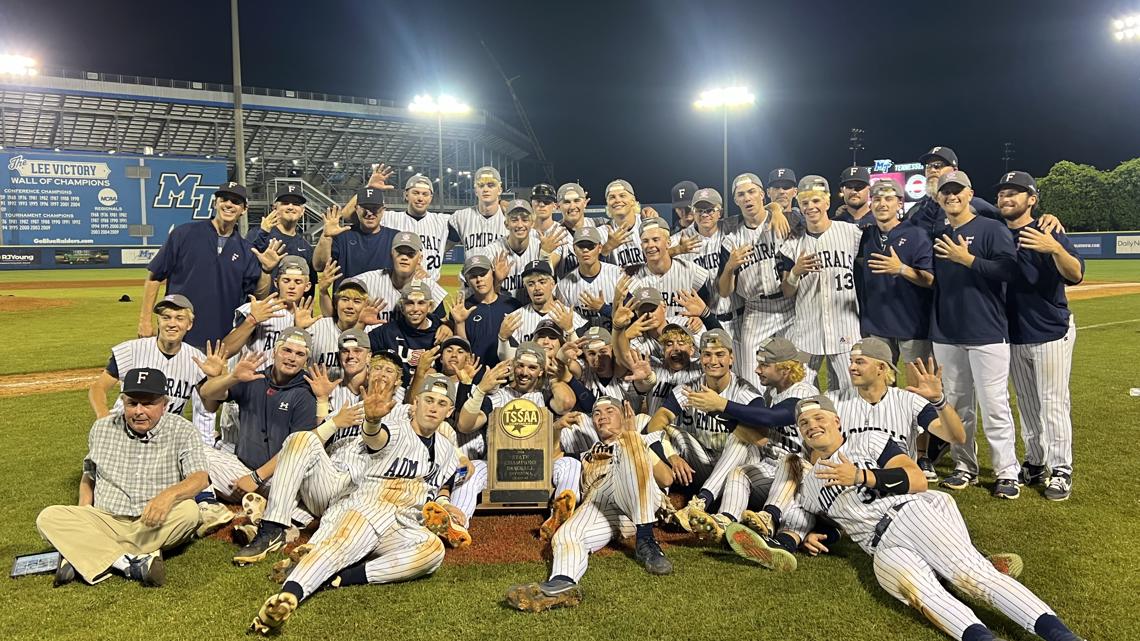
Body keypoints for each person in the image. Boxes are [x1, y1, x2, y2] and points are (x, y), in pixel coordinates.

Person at [730, 395, 1088, 641]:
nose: (811, 425)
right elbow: (823, 521)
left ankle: (1061, 635)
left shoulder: (868, 441)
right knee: (924, 596)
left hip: (910, 514)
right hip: (880, 550)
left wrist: (863, 476)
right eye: (804, 422)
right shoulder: (808, 484)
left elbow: (916, 479)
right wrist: (808, 536)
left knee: (971, 577)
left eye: (819, 417)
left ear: (837, 420)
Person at [247, 374, 462, 635]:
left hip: (403, 522)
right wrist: (372, 420)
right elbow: (376, 438)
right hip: (370, 505)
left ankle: (345, 577)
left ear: (449, 411)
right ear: (415, 403)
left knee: (432, 552)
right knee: (338, 547)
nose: (433, 407)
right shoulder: (396, 429)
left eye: (441, 403)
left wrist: (445, 504)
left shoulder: (447, 450)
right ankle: (289, 595)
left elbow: (438, 485)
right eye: (428, 400)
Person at [37, 368, 209, 588]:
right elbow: (89, 475)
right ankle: (130, 562)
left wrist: (168, 496)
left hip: (153, 521)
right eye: (132, 403)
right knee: (48, 517)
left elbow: (200, 478)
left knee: (188, 512)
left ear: (164, 404)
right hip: (106, 520)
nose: (139, 411)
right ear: (123, 402)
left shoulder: (183, 431)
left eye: (147, 404)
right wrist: (83, 511)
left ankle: (84, 552)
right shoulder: (102, 428)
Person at [504, 396, 676, 612]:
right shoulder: (589, 453)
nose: (602, 416)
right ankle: (562, 583)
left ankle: (647, 540)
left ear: (623, 416)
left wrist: (633, 438)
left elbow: (666, 479)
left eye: (609, 411)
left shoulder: (640, 441)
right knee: (567, 535)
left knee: (630, 447)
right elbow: (552, 458)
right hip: (602, 502)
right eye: (596, 413)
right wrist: (557, 430)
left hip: (636, 502)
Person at [927, 171, 1022, 498]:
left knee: (994, 404)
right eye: (945, 192)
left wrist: (968, 260)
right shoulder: (938, 230)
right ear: (938, 198)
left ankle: (1007, 471)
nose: (951, 197)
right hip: (947, 332)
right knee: (957, 406)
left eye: (957, 191)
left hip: (987, 331)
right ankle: (964, 465)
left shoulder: (991, 228)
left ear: (970, 194)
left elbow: (1009, 271)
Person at [996, 171, 1084, 501]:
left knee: (1053, 403)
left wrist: (1053, 249)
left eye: (1015, 193)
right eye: (1003, 193)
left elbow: (1075, 274)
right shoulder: (995, 231)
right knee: (1029, 404)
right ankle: (1035, 461)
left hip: (1049, 330)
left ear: (1031, 200)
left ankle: (1062, 469)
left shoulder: (1048, 229)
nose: (1006, 198)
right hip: (1013, 333)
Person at [677, 337, 818, 540]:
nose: (757, 370)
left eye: (764, 365)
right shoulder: (772, 392)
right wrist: (713, 410)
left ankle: (769, 519)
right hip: (771, 468)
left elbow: (771, 418)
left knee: (790, 461)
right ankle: (724, 520)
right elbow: (751, 429)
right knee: (738, 471)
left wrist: (721, 405)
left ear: (785, 369)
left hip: (798, 477)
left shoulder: (804, 392)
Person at [139, 181, 275, 350]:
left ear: (244, 209)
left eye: (236, 202)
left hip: (220, 341)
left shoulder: (246, 250)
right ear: (215, 203)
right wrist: (145, 320)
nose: (229, 204)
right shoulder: (184, 234)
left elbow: (257, 295)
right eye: (224, 199)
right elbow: (154, 277)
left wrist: (266, 270)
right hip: (177, 333)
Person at [198, 328, 318, 504]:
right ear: (275, 352)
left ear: (306, 360)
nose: (291, 358)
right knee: (196, 451)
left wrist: (255, 478)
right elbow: (207, 393)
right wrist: (231, 378)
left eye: (299, 354)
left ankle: (269, 507)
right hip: (242, 468)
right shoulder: (254, 378)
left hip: (280, 479)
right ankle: (216, 504)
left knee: (292, 504)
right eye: (287, 350)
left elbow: (297, 451)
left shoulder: (306, 393)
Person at [646, 329, 762, 489]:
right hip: (703, 460)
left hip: (738, 474)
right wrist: (670, 454)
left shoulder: (746, 392)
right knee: (649, 425)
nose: (713, 361)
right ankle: (663, 495)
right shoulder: (690, 387)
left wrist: (717, 409)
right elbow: (658, 419)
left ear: (731, 358)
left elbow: (760, 439)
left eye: (720, 354)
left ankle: (703, 499)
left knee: (739, 442)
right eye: (707, 354)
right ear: (700, 358)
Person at [779, 175, 862, 392]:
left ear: (827, 202)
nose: (810, 207)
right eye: (805, 203)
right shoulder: (792, 244)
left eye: (816, 201)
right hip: (807, 331)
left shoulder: (851, 233)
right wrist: (795, 272)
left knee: (851, 392)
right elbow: (787, 291)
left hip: (845, 327)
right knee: (798, 391)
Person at [718, 172, 794, 391]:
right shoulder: (731, 239)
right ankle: (757, 421)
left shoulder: (785, 222)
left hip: (789, 307)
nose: (747, 198)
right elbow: (724, 291)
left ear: (762, 194)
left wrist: (776, 209)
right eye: (741, 194)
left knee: (794, 374)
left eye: (752, 192)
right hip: (756, 309)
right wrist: (730, 266)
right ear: (736, 200)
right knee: (752, 375)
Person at [222, 256, 316, 365]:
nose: (291, 286)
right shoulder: (257, 308)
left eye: (298, 282)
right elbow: (225, 351)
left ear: (307, 286)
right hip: (252, 379)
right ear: (276, 283)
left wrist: (298, 329)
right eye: (286, 280)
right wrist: (251, 321)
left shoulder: (307, 319)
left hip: (285, 381)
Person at [313, 177, 399, 281]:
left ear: (383, 210)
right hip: (347, 296)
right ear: (357, 209)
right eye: (365, 208)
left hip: (382, 296)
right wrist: (326, 237)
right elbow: (319, 266)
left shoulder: (395, 238)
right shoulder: (343, 236)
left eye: (374, 208)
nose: (369, 213)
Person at [498, 260, 587, 359]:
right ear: (526, 287)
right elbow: (508, 360)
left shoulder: (571, 316)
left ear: (552, 284)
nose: (537, 288)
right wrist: (502, 338)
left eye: (542, 282)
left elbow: (581, 356)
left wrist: (570, 329)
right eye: (531, 284)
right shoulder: (515, 319)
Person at [355, 232, 448, 325]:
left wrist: (446, 327)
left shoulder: (430, 287)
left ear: (419, 259)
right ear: (391, 254)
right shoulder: (368, 280)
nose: (404, 258)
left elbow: (443, 322)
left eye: (410, 254)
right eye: (400, 253)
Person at [450, 254, 523, 366]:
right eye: (473, 277)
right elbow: (462, 350)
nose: (479, 280)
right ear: (467, 281)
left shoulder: (512, 305)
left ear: (492, 274)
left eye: (483, 274)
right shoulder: (463, 309)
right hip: (477, 374)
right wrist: (459, 323)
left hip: (510, 373)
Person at [491, 199, 567, 300]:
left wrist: (545, 254)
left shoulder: (541, 247)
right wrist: (497, 281)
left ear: (532, 224)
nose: (520, 225)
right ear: (506, 224)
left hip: (533, 311)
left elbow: (547, 287)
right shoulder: (493, 251)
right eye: (514, 220)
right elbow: (486, 297)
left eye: (525, 220)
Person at [383, 174, 451, 281]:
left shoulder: (443, 221)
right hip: (396, 287)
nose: (420, 198)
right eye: (415, 193)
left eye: (425, 194)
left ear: (430, 198)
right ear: (406, 195)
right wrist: (370, 187)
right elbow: (350, 215)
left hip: (430, 287)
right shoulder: (389, 218)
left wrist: (444, 248)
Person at [556, 226, 623, 323]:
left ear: (600, 248)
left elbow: (631, 314)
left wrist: (603, 308)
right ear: (574, 249)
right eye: (581, 246)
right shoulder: (564, 286)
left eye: (590, 246)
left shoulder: (618, 274)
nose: (585, 250)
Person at [247, 183, 313, 273]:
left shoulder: (305, 246)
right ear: (275, 208)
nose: (290, 207)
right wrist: (263, 234)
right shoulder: (258, 233)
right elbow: (244, 262)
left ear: (302, 211)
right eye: (285, 203)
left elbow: (309, 281)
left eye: (296, 204)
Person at [448, 165, 508, 259]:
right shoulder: (461, 217)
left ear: (500, 190)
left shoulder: (511, 218)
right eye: (481, 185)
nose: (485, 189)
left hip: (502, 273)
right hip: (471, 272)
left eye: (491, 185)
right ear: (476, 191)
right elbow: (440, 248)